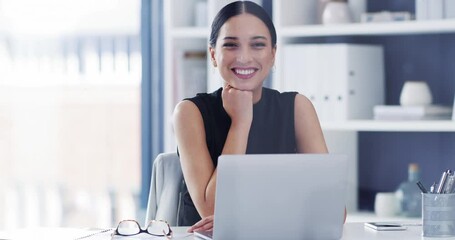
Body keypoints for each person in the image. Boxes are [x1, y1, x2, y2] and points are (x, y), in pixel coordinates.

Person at [173, 0, 337, 232]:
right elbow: (213, 212)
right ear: (213, 54)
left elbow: (332, 212)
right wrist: (240, 123)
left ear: (272, 54)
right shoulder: (190, 113)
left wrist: (249, 217)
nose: (244, 58)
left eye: (257, 45)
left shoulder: (297, 107)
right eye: (231, 45)